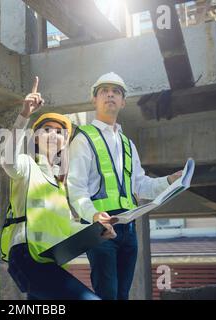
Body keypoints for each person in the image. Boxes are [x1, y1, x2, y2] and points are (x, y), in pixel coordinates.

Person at [66, 72, 182, 300]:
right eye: (104, 91)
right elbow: (75, 187)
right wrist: (93, 216)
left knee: (122, 295)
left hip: (129, 229)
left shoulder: (128, 144)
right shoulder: (83, 138)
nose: (110, 94)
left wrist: (169, 181)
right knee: (108, 294)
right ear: (94, 100)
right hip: (100, 227)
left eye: (116, 91)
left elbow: (141, 185)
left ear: (123, 101)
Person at [0, 77, 115, 300]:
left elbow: (65, 228)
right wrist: (24, 115)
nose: (53, 135)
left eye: (60, 132)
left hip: (47, 258)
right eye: (47, 130)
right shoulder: (26, 166)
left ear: (65, 142)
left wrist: (97, 229)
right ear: (35, 138)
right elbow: (7, 161)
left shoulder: (60, 185)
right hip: (26, 257)